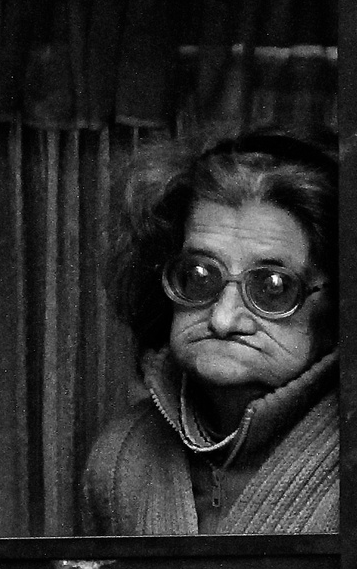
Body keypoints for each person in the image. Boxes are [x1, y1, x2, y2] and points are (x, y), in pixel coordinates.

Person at [80, 130, 339, 537]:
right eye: (200, 277)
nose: (223, 318)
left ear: (334, 301)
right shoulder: (121, 459)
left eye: (272, 287)